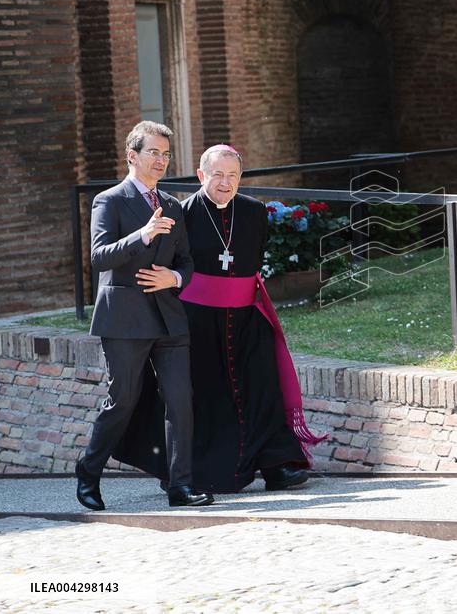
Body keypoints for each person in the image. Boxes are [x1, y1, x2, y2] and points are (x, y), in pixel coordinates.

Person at [117, 144, 324, 493]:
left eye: (232, 176)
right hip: (197, 321)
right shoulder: (181, 214)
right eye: (217, 175)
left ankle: (277, 465)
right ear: (201, 175)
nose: (225, 183)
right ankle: (195, 471)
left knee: (263, 390)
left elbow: (252, 261)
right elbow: (167, 265)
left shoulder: (254, 211)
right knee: (205, 397)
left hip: (247, 318)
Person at [75, 121, 214, 510]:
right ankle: (89, 470)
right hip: (124, 318)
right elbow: (99, 256)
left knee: (180, 401)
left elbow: (186, 261)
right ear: (132, 155)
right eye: (153, 152)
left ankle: (180, 486)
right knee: (122, 399)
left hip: (169, 318)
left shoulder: (172, 205)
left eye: (166, 154)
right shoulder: (109, 201)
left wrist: (175, 277)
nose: (161, 160)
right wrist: (144, 234)